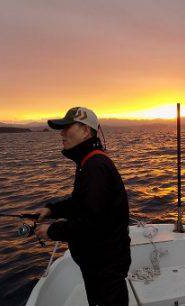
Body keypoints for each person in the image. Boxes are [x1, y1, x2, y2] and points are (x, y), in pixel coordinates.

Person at [35, 106, 131, 306]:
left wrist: (51, 231)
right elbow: (81, 203)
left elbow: (91, 224)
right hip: (102, 263)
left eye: (67, 128)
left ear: (86, 131)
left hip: (104, 266)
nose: (61, 133)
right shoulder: (89, 162)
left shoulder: (94, 167)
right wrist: (53, 209)